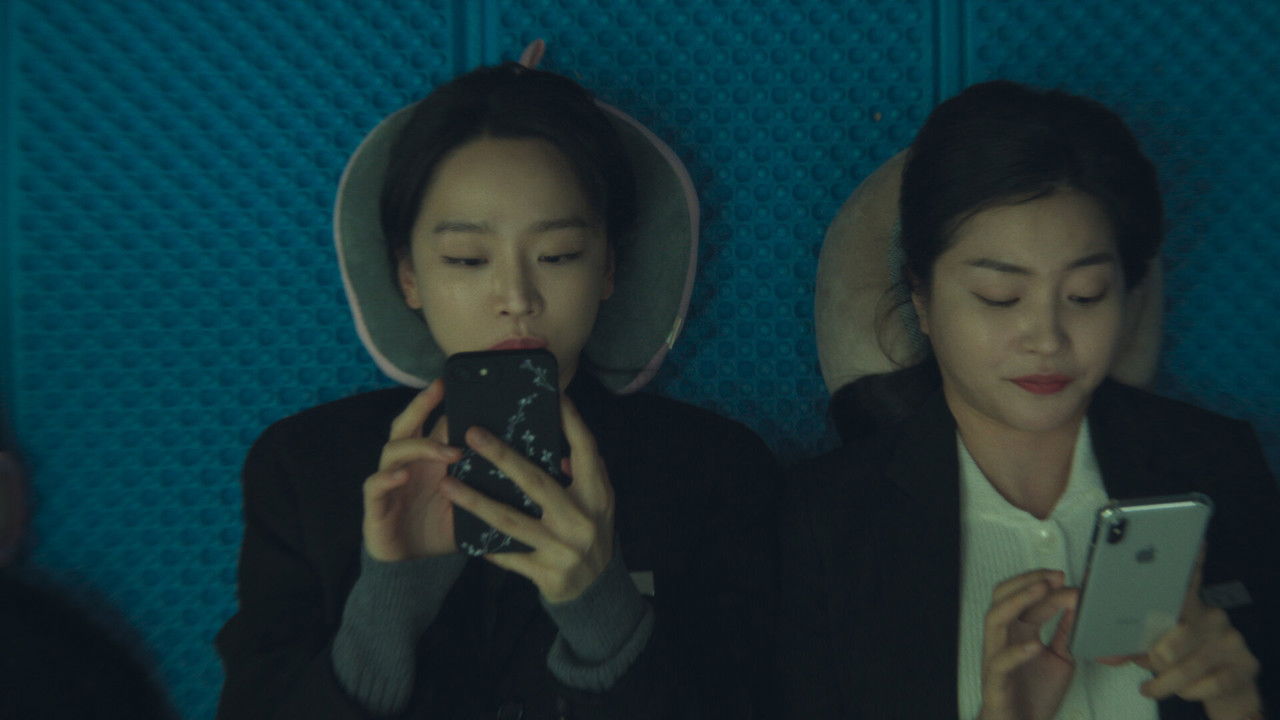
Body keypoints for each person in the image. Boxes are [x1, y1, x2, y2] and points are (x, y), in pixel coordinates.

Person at [215, 57, 778, 720]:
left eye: (559, 254)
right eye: (466, 259)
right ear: (408, 277)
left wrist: (602, 609)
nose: (516, 297)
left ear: (608, 268)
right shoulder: (302, 470)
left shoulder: (715, 470)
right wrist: (386, 609)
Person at [780, 80, 1276, 719]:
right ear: (922, 299)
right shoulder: (824, 524)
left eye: (1085, 295)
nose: (1046, 338)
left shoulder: (1218, 466)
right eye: (1000, 298)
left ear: (1128, 295)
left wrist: (1240, 706)